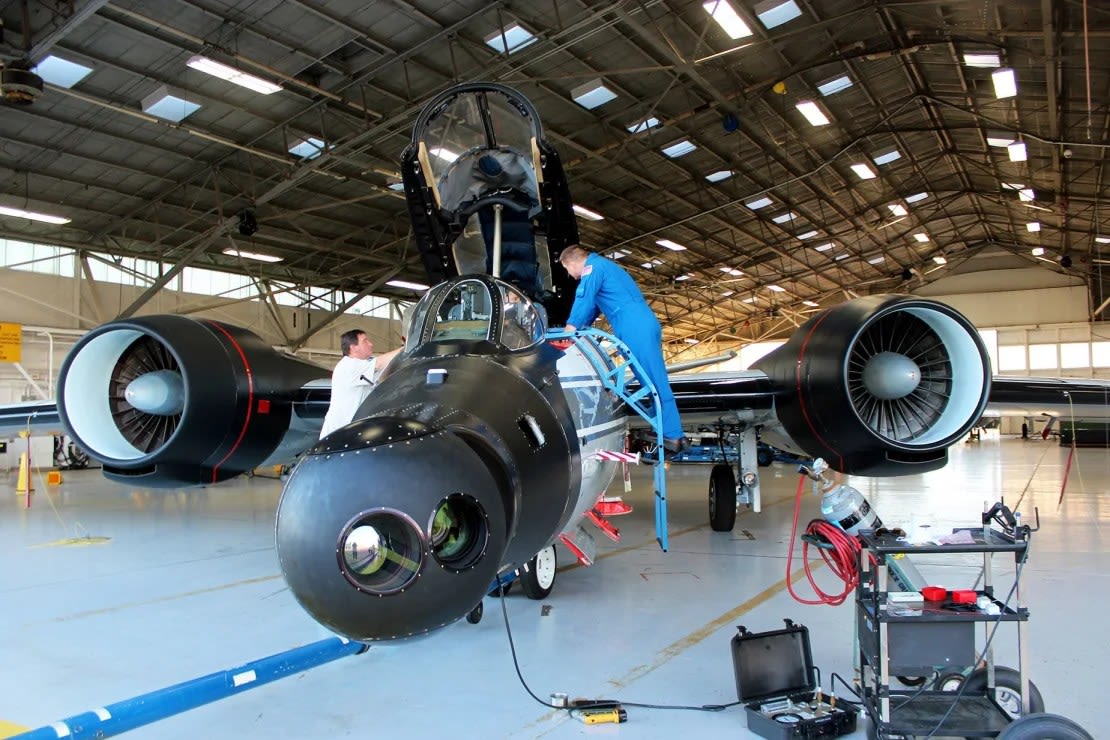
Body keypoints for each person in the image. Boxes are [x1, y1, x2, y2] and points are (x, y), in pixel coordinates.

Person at [558, 245, 688, 453]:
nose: (570, 275)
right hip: (638, 323)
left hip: (634, 326)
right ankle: (668, 431)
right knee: (650, 380)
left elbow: (584, 299)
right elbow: (592, 308)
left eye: (567, 269)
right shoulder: (605, 267)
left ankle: (673, 435)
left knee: (654, 380)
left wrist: (569, 331)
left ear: (572, 262)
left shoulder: (593, 269)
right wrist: (579, 331)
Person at [319, 329, 401, 439]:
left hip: (350, 431)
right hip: (339, 434)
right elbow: (380, 363)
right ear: (353, 347)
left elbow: (384, 372)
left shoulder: (364, 366)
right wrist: (406, 348)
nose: (371, 344)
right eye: (365, 341)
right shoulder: (349, 366)